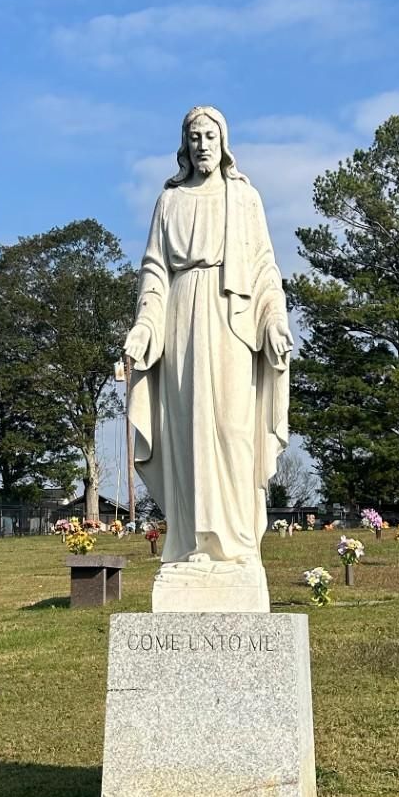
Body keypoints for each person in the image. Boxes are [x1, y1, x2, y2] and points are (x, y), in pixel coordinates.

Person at [124, 107, 291, 604]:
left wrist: (273, 321)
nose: (202, 144)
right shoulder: (169, 201)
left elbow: (264, 268)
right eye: (193, 137)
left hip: (233, 319)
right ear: (184, 144)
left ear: (224, 141)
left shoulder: (244, 198)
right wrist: (144, 325)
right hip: (180, 318)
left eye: (210, 136)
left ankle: (237, 547)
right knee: (190, 434)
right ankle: (194, 545)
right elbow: (154, 271)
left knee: (233, 429)